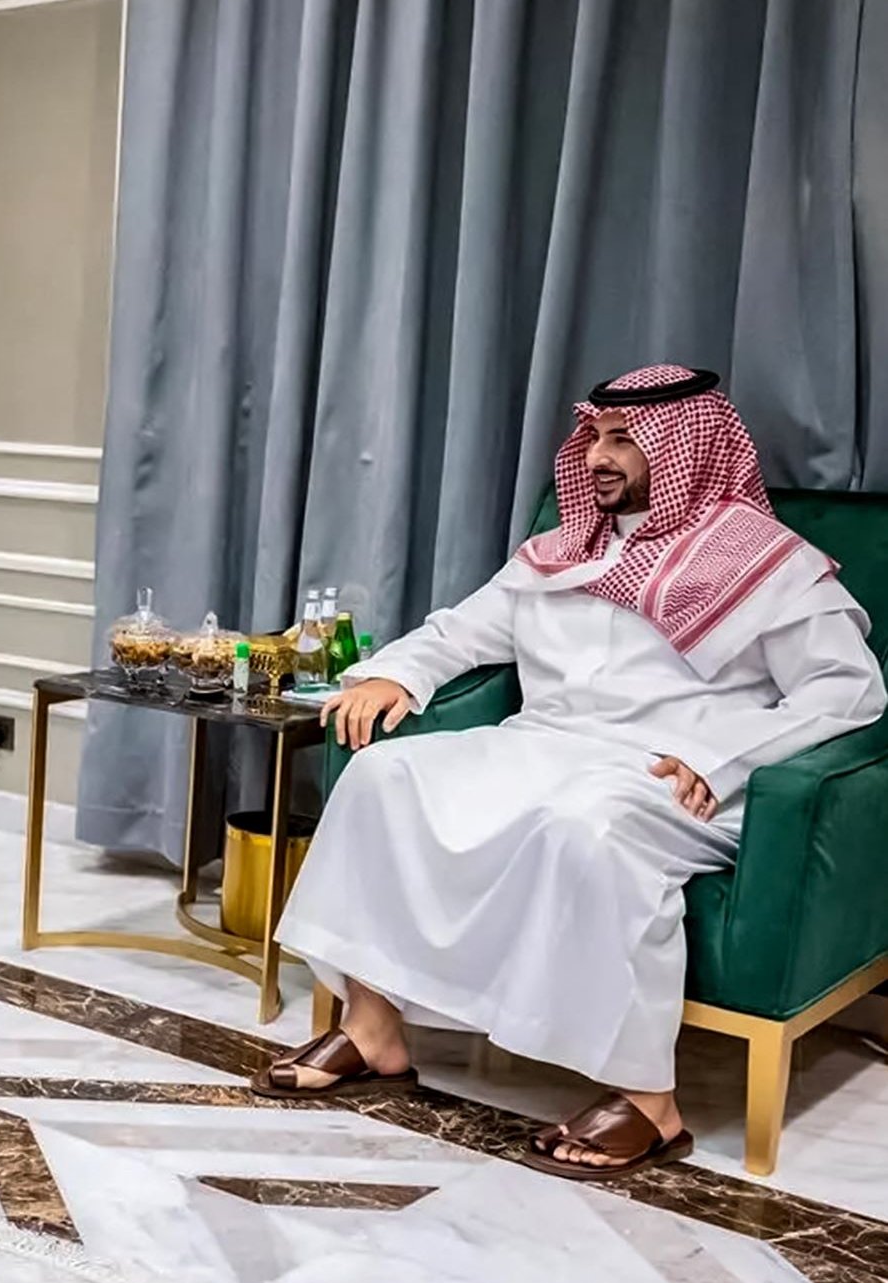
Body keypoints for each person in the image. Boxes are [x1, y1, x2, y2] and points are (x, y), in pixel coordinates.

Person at [260, 366, 885, 1178]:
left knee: (589, 822)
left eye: (623, 439)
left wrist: (721, 754)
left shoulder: (764, 564)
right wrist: (397, 673)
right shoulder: (560, 552)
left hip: (678, 774)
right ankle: (373, 1023)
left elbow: (849, 691)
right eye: (593, 435)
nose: (597, 455)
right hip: (543, 745)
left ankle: (649, 1102)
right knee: (385, 777)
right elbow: (463, 631)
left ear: (685, 448)